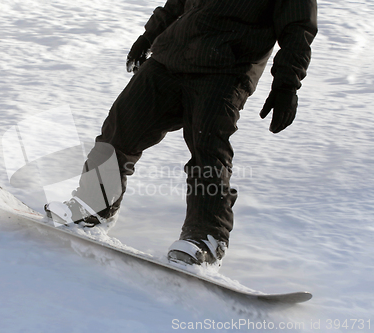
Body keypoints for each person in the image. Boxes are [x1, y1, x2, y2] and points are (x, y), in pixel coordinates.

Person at [45, 0, 318, 269]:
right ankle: (94, 203)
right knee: (121, 127)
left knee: (207, 148)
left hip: (226, 70)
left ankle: (207, 238)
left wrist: (287, 85)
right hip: (170, 57)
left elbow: (298, 28)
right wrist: (149, 37)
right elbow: (177, 3)